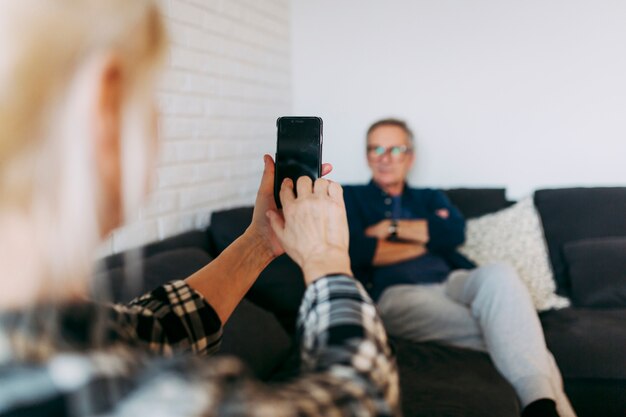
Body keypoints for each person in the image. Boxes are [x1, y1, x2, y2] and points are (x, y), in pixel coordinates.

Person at [0, 2, 399, 416]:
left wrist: (258, 243)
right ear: (103, 101)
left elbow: (151, 331)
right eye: (151, 94)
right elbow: (359, 403)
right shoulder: (118, 395)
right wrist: (328, 260)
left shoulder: (41, 343)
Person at [343, 118, 576, 417]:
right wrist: (425, 237)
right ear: (367, 156)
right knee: (522, 341)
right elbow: (357, 250)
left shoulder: (429, 196)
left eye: (395, 149)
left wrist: (389, 228)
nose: (385, 158)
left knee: (500, 273)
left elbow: (453, 233)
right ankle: (542, 407)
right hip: (400, 294)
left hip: (454, 281)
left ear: (410, 156)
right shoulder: (350, 197)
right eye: (376, 149)